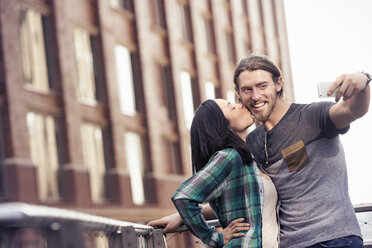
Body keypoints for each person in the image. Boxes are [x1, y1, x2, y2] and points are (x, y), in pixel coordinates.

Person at [233, 55, 370, 248]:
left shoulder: (313, 116)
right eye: (247, 89)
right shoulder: (253, 141)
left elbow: (353, 110)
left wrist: (363, 81)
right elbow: (244, 195)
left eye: (262, 86)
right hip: (290, 244)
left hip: (336, 239)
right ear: (238, 93)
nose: (255, 96)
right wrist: (184, 214)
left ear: (278, 83)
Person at [168, 99, 279, 247]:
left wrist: (180, 218)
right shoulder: (229, 157)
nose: (241, 105)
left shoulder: (247, 158)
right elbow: (183, 197)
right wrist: (214, 238)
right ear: (222, 125)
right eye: (232, 108)